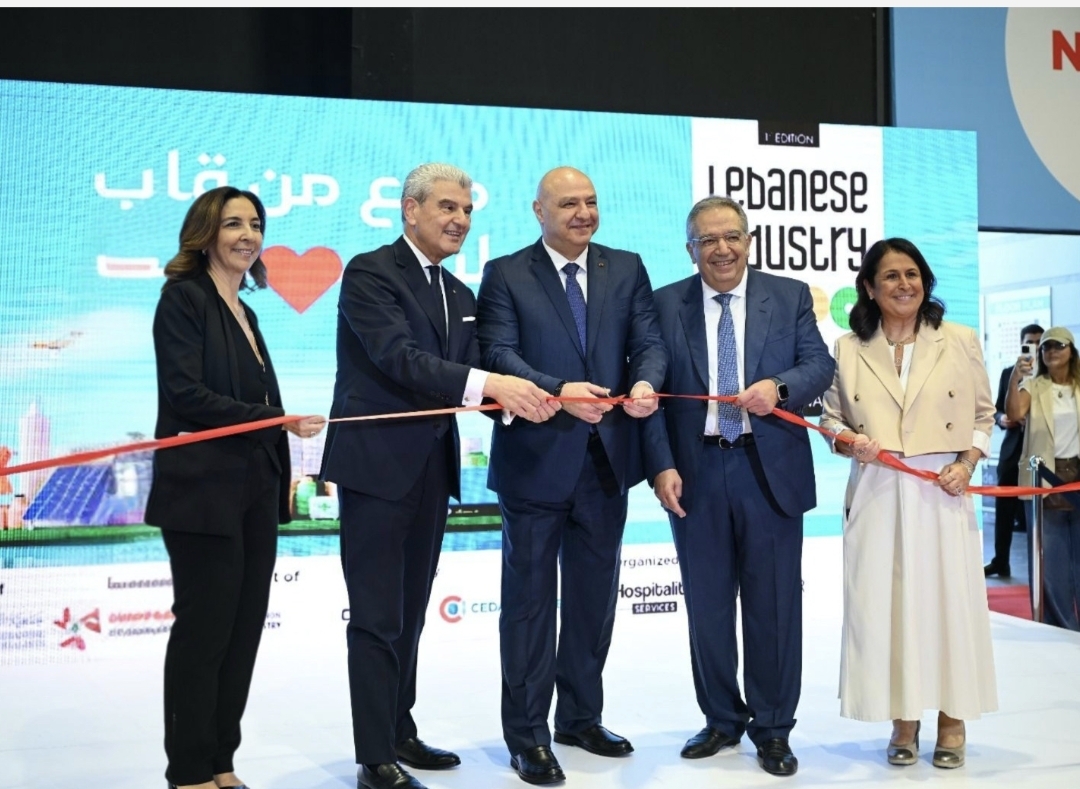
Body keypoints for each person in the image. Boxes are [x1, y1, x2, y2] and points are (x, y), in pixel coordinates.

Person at [320, 163, 557, 789]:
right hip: (375, 470)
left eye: (468, 210)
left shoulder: (459, 293)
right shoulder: (370, 272)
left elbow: (478, 382)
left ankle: (399, 731)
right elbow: (400, 359)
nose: (460, 220)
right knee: (377, 616)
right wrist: (496, 384)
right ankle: (374, 757)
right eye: (448, 207)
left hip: (430, 471)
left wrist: (544, 396)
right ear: (411, 209)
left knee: (411, 610)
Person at [476, 166, 667, 785]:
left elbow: (650, 343)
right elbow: (497, 354)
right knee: (529, 606)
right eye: (568, 204)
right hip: (534, 463)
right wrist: (559, 390)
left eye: (590, 201)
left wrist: (646, 382)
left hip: (607, 464)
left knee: (592, 602)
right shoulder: (505, 273)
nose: (583, 213)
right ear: (539, 211)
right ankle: (527, 736)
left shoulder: (627, 267)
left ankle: (580, 718)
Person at [642, 195, 834, 778]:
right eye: (708, 240)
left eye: (732, 237)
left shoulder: (790, 295)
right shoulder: (663, 303)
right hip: (694, 471)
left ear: (749, 241)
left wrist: (779, 386)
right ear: (690, 249)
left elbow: (819, 365)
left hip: (768, 470)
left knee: (774, 606)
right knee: (707, 605)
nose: (721, 249)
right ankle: (721, 718)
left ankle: (773, 728)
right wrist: (659, 465)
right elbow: (649, 390)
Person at [145, 186, 326, 789]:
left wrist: (276, 428)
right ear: (205, 234)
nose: (248, 235)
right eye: (232, 224)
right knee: (205, 635)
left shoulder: (247, 312)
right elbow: (185, 395)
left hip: (253, 489)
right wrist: (275, 419)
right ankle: (189, 771)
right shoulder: (183, 299)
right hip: (202, 494)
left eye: (255, 224)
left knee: (243, 632)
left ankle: (222, 762)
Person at [820, 238, 998, 769]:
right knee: (887, 608)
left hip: (941, 490)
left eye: (912, 274)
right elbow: (831, 420)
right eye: (891, 276)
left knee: (947, 605)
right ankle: (903, 719)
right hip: (877, 491)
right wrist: (849, 442)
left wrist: (966, 464)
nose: (904, 284)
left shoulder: (958, 339)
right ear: (869, 288)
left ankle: (952, 718)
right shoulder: (848, 347)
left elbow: (983, 416)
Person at [1005, 326, 1080, 631]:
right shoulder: (1034, 386)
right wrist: (1016, 377)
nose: (1051, 351)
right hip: (1044, 479)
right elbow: (1013, 412)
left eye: (1058, 346)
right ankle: (1061, 629)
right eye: (1046, 347)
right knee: (1049, 562)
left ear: (1071, 351)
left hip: (1076, 477)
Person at [986, 323, 1043, 578]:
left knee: (1039, 510)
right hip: (1012, 449)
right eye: (1030, 342)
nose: (1035, 347)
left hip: (1040, 450)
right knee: (1004, 507)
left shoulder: (1051, 375)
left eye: (1039, 342)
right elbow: (997, 408)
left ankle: (1042, 566)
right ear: (1021, 344)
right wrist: (1002, 418)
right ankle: (1001, 561)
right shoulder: (1010, 373)